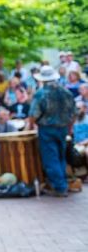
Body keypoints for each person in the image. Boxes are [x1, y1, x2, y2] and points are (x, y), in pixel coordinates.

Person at [28, 66, 76, 197]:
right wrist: (70, 128)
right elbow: (73, 114)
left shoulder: (41, 93)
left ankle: (60, 188)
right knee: (61, 156)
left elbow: (33, 114)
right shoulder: (67, 92)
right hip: (63, 128)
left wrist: (30, 126)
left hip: (47, 129)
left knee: (51, 158)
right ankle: (62, 184)